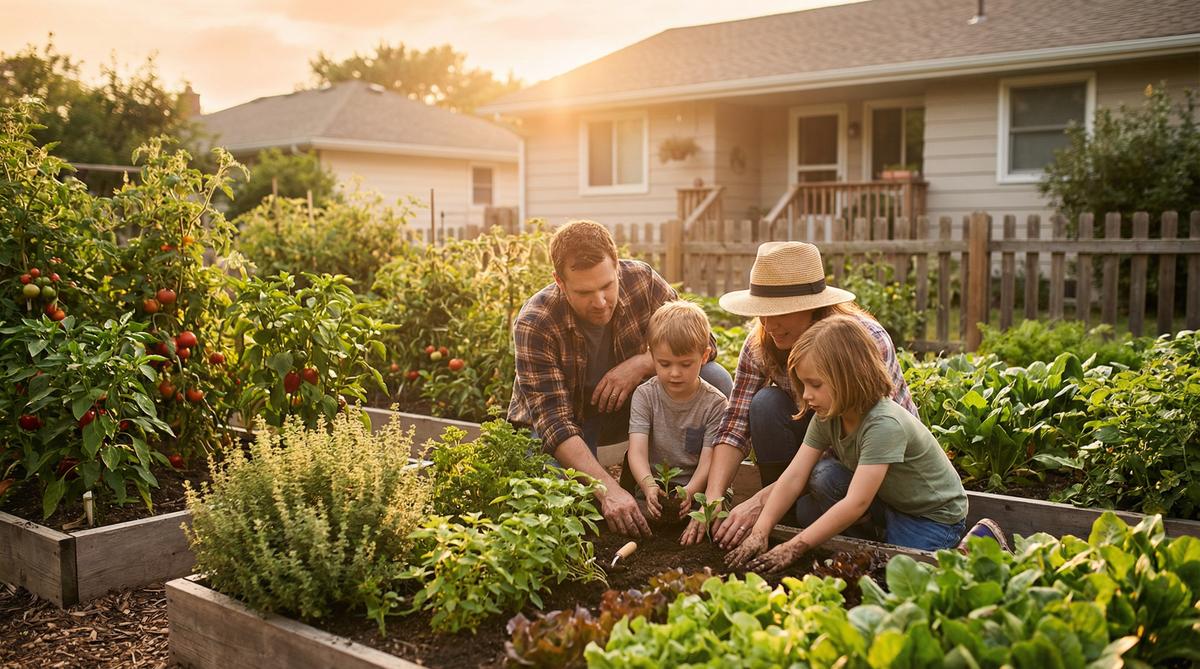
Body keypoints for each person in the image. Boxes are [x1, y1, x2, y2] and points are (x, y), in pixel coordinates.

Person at [680, 241, 917, 547]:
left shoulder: (862, 342)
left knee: (824, 478)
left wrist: (761, 500)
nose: (769, 324)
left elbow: (869, 434)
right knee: (765, 405)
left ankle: (872, 534)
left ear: (813, 305)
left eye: (779, 313)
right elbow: (736, 422)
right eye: (762, 313)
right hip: (817, 454)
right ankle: (784, 518)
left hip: (874, 464)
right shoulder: (761, 342)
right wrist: (712, 499)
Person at [508, 220, 732, 538]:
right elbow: (555, 425)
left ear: (616, 266)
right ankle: (623, 489)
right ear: (559, 281)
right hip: (568, 426)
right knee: (560, 503)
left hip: (627, 408)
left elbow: (705, 344)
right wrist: (608, 490)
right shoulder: (536, 323)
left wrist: (641, 364)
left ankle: (692, 488)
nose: (600, 302)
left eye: (607, 286)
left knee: (714, 379)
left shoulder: (640, 279)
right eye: (585, 292)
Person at [724, 315, 968, 571]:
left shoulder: (884, 424)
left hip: (931, 517)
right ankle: (879, 534)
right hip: (889, 502)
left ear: (848, 377)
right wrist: (760, 532)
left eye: (815, 385)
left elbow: (856, 503)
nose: (806, 395)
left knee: (897, 575)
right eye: (803, 384)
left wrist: (793, 547)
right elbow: (795, 475)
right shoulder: (829, 414)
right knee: (809, 507)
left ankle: (974, 541)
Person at [627, 301, 728, 522]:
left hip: (697, 486)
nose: (674, 373)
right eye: (664, 364)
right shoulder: (645, 396)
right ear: (652, 356)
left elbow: (708, 460)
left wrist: (690, 491)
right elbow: (637, 452)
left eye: (685, 364)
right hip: (656, 487)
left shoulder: (715, 403)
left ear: (703, 357)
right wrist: (648, 485)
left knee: (711, 519)